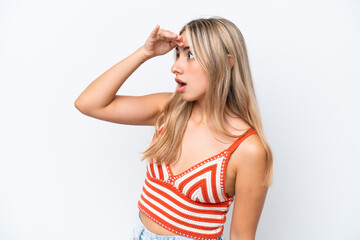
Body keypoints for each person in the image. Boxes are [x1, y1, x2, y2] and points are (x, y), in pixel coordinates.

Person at [75, 16, 273, 240]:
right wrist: (144, 53)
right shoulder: (167, 111)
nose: (175, 66)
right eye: (178, 54)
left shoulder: (248, 150)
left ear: (226, 63)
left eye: (190, 55)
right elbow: (88, 104)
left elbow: (241, 236)